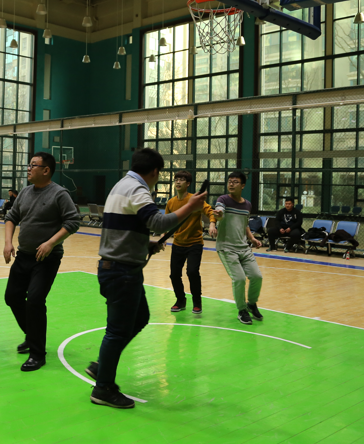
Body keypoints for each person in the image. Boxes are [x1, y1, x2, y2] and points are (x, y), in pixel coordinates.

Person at [86, 148, 206, 409]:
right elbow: (159, 223)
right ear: (154, 171)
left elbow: (123, 226)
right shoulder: (137, 189)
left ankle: (103, 366)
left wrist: (144, 243)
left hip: (119, 267)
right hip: (121, 272)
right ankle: (103, 387)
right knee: (117, 331)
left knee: (140, 318)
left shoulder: (121, 185)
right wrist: (190, 207)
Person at [4, 153, 80, 372]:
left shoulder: (59, 194)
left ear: (46, 170)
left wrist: (51, 243)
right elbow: (11, 217)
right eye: (29, 165)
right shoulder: (25, 193)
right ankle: (32, 335)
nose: (29, 169)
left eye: (33, 165)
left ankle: (37, 354)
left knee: (35, 301)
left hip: (46, 259)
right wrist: (8, 243)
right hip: (24, 255)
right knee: (12, 297)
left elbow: (73, 221)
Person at [211, 171, 264, 326]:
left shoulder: (247, 205)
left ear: (243, 185)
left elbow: (245, 224)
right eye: (229, 181)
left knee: (257, 276)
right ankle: (242, 310)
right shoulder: (223, 200)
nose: (231, 184)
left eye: (235, 182)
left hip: (244, 247)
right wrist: (217, 217)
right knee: (239, 279)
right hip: (227, 247)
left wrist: (252, 238)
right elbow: (219, 212)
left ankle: (251, 304)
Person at [165, 170, 217, 314]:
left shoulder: (194, 199)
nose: (178, 182)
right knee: (174, 275)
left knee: (192, 272)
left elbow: (210, 211)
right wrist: (163, 236)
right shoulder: (171, 202)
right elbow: (167, 221)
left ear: (188, 183)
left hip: (195, 243)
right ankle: (180, 300)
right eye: (176, 179)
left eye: (181, 179)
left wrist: (212, 224)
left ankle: (197, 302)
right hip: (178, 243)